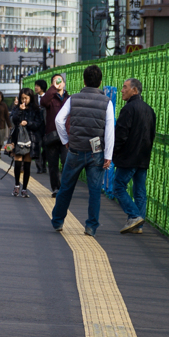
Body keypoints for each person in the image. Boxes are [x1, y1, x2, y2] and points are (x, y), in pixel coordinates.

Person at [50, 65, 115, 236]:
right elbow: (110, 130)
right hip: (96, 152)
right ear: (100, 82)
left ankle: (57, 221)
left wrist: (66, 140)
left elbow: (59, 120)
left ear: (84, 81)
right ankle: (91, 226)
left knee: (66, 187)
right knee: (94, 191)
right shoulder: (107, 102)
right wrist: (108, 155)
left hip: (75, 150)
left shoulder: (73, 99)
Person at [113, 78, 156, 234]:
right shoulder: (149, 110)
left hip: (128, 157)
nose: (122, 90)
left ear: (135, 90)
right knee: (140, 192)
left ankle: (134, 216)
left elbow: (121, 135)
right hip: (143, 157)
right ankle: (138, 226)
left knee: (118, 186)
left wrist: (114, 153)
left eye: (125, 87)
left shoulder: (128, 109)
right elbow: (152, 135)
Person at [39, 73, 70, 197]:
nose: (58, 83)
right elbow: (43, 102)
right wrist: (53, 88)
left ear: (64, 83)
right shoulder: (50, 98)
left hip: (65, 137)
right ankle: (56, 188)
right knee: (53, 164)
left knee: (66, 161)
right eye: (55, 81)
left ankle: (64, 187)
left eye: (60, 80)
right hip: (52, 136)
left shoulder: (69, 98)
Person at [9, 87, 43, 198]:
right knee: (18, 162)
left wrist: (27, 123)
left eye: (26, 98)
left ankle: (24, 188)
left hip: (31, 139)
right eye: (22, 98)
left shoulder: (36, 110)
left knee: (27, 164)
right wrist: (20, 110)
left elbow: (38, 124)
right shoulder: (17, 108)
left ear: (31, 98)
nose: (24, 100)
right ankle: (16, 185)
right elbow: (13, 120)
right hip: (18, 138)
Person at [33, 80, 48, 173]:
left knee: (46, 147)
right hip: (36, 127)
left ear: (42, 87)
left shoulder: (48, 97)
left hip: (46, 126)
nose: (35, 87)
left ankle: (44, 164)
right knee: (37, 146)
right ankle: (39, 167)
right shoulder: (33, 98)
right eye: (35, 85)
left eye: (37, 86)